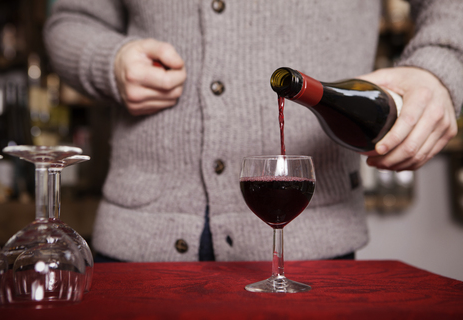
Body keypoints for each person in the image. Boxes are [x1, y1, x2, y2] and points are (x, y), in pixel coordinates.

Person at [43, 0, 462, 262]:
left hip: (314, 241)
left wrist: (440, 69)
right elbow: (71, 19)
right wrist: (108, 61)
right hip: (137, 238)